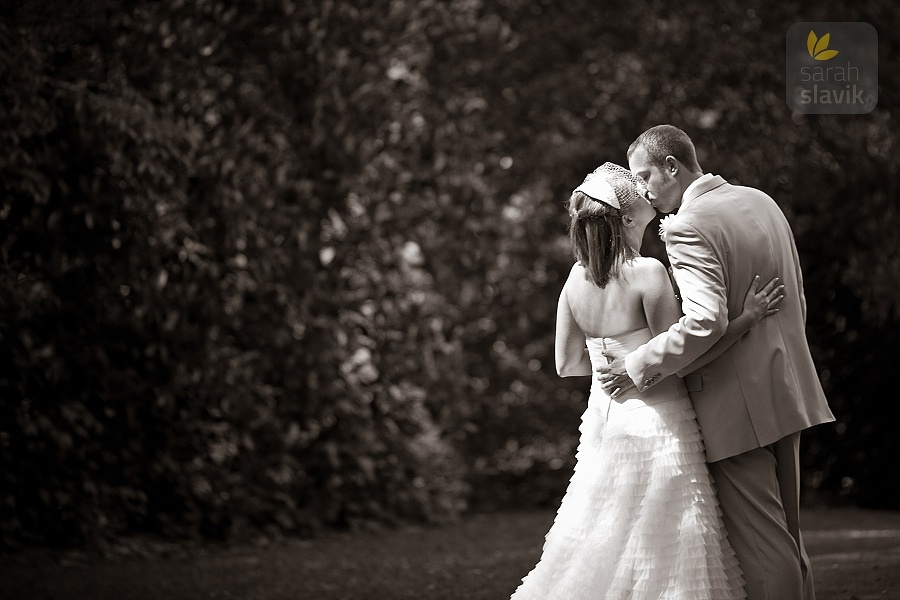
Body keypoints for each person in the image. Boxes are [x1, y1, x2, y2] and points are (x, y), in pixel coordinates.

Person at [510, 162, 783, 600]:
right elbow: (687, 355)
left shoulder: (575, 279)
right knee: (668, 539)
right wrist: (745, 319)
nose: (647, 199)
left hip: (605, 418)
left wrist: (611, 364)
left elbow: (567, 364)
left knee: (605, 531)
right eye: (639, 198)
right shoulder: (647, 272)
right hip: (660, 418)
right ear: (627, 218)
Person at [599, 125, 836, 599]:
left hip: (735, 404)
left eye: (647, 176)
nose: (642, 189)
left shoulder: (688, 224)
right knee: (788, 538)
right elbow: (797, 297)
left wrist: (637, 364)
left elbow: (704, 321)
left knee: (766, 552)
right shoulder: (761, 200)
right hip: (787, 387)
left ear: (673, 166)